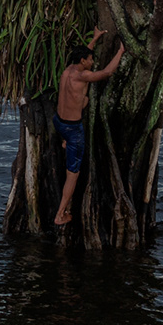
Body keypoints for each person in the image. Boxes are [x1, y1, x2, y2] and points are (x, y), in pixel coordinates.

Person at [53, 33, 124, 227]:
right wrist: (121, 51)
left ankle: (65, 142)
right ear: (83, 62)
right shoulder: (83, 75)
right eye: (90, 60)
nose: (92, 62)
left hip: (58, 122)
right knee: (73, 175)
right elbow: (107, 73)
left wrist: (95, 38)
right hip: (72, 129)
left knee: (84, 100)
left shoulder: (69, 69)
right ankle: (60, 214)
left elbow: (84, 54)